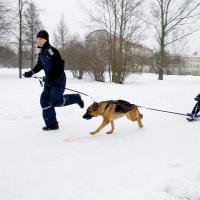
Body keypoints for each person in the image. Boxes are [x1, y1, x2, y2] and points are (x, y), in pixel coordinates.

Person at [23, 30, 84, 131]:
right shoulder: (42, 53)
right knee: (44, 100)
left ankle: (75, 98)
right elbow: (39, 65)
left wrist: (50, 77)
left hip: (58, 79)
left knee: (54, 101)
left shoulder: (51, 51)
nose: (38, 41)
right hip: (49, 80)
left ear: (45, 39)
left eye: (40, 39)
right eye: (37, 39)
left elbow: (60, 66)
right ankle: (52, 124)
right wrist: (31, 72)